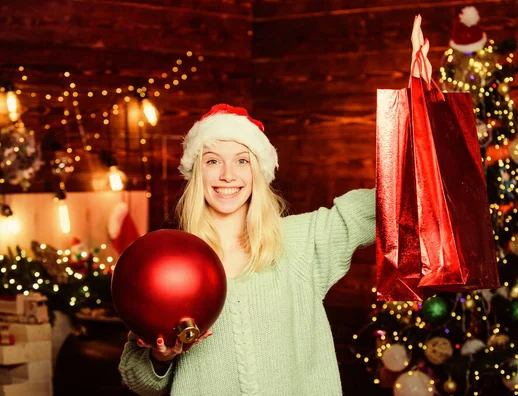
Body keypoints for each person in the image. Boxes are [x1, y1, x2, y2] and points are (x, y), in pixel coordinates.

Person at [118, 104, 375, 396]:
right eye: (213, 161)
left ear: (258, 171)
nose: (228, 175)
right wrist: (161, 357)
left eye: (242, 161)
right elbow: (137, 378)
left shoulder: (302, 242)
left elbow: (388, 203)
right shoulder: (171, 262)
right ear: (196, 172)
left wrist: (420, 109)